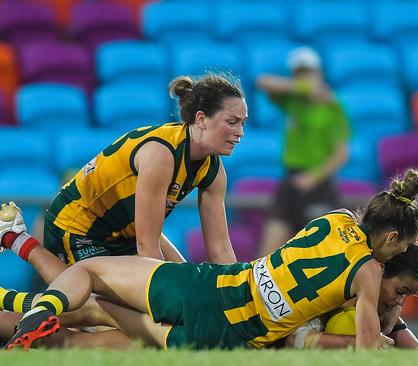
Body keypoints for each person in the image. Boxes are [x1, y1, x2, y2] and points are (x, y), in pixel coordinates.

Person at [3, 168, 418, 351]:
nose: (401, 254)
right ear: (391, 236)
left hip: (213, 287)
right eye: (403, 246)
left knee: (89, 276)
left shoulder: (333, 218)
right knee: (99, 317)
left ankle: (31, 307)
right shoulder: (369, 272)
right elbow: (368, 350)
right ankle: (26, 301)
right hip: (231, 334)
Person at [0, 73, 246, 285]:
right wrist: (176, 298)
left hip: (122, 231)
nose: (240, 133)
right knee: (90, 310)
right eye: (232, 122)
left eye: (243, 123)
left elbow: (220, 249)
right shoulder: (162, 153)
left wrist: (234, 296)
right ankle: (20, 242)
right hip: (76, 227)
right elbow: (147, 246)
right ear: (201, 119)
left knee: (185, 282)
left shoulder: (213, 170)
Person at [283, 242, 418, 350]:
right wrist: (358, 343)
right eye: (399, 291)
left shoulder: (384, 308)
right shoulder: (334, 289)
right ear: (379, 272)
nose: (400, 302)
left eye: (408, 295)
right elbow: (292, 340)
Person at [256, 46, 350, 257]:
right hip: (291, 179)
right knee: (268, 251)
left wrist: (312, 177)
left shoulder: (332, 107)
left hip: (319, 183)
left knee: (321, 253)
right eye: (300, 74)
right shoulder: (294, 100)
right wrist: (303, 89)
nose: (305, 79)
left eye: (308, 73)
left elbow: (341, 154)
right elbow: (262, 82)